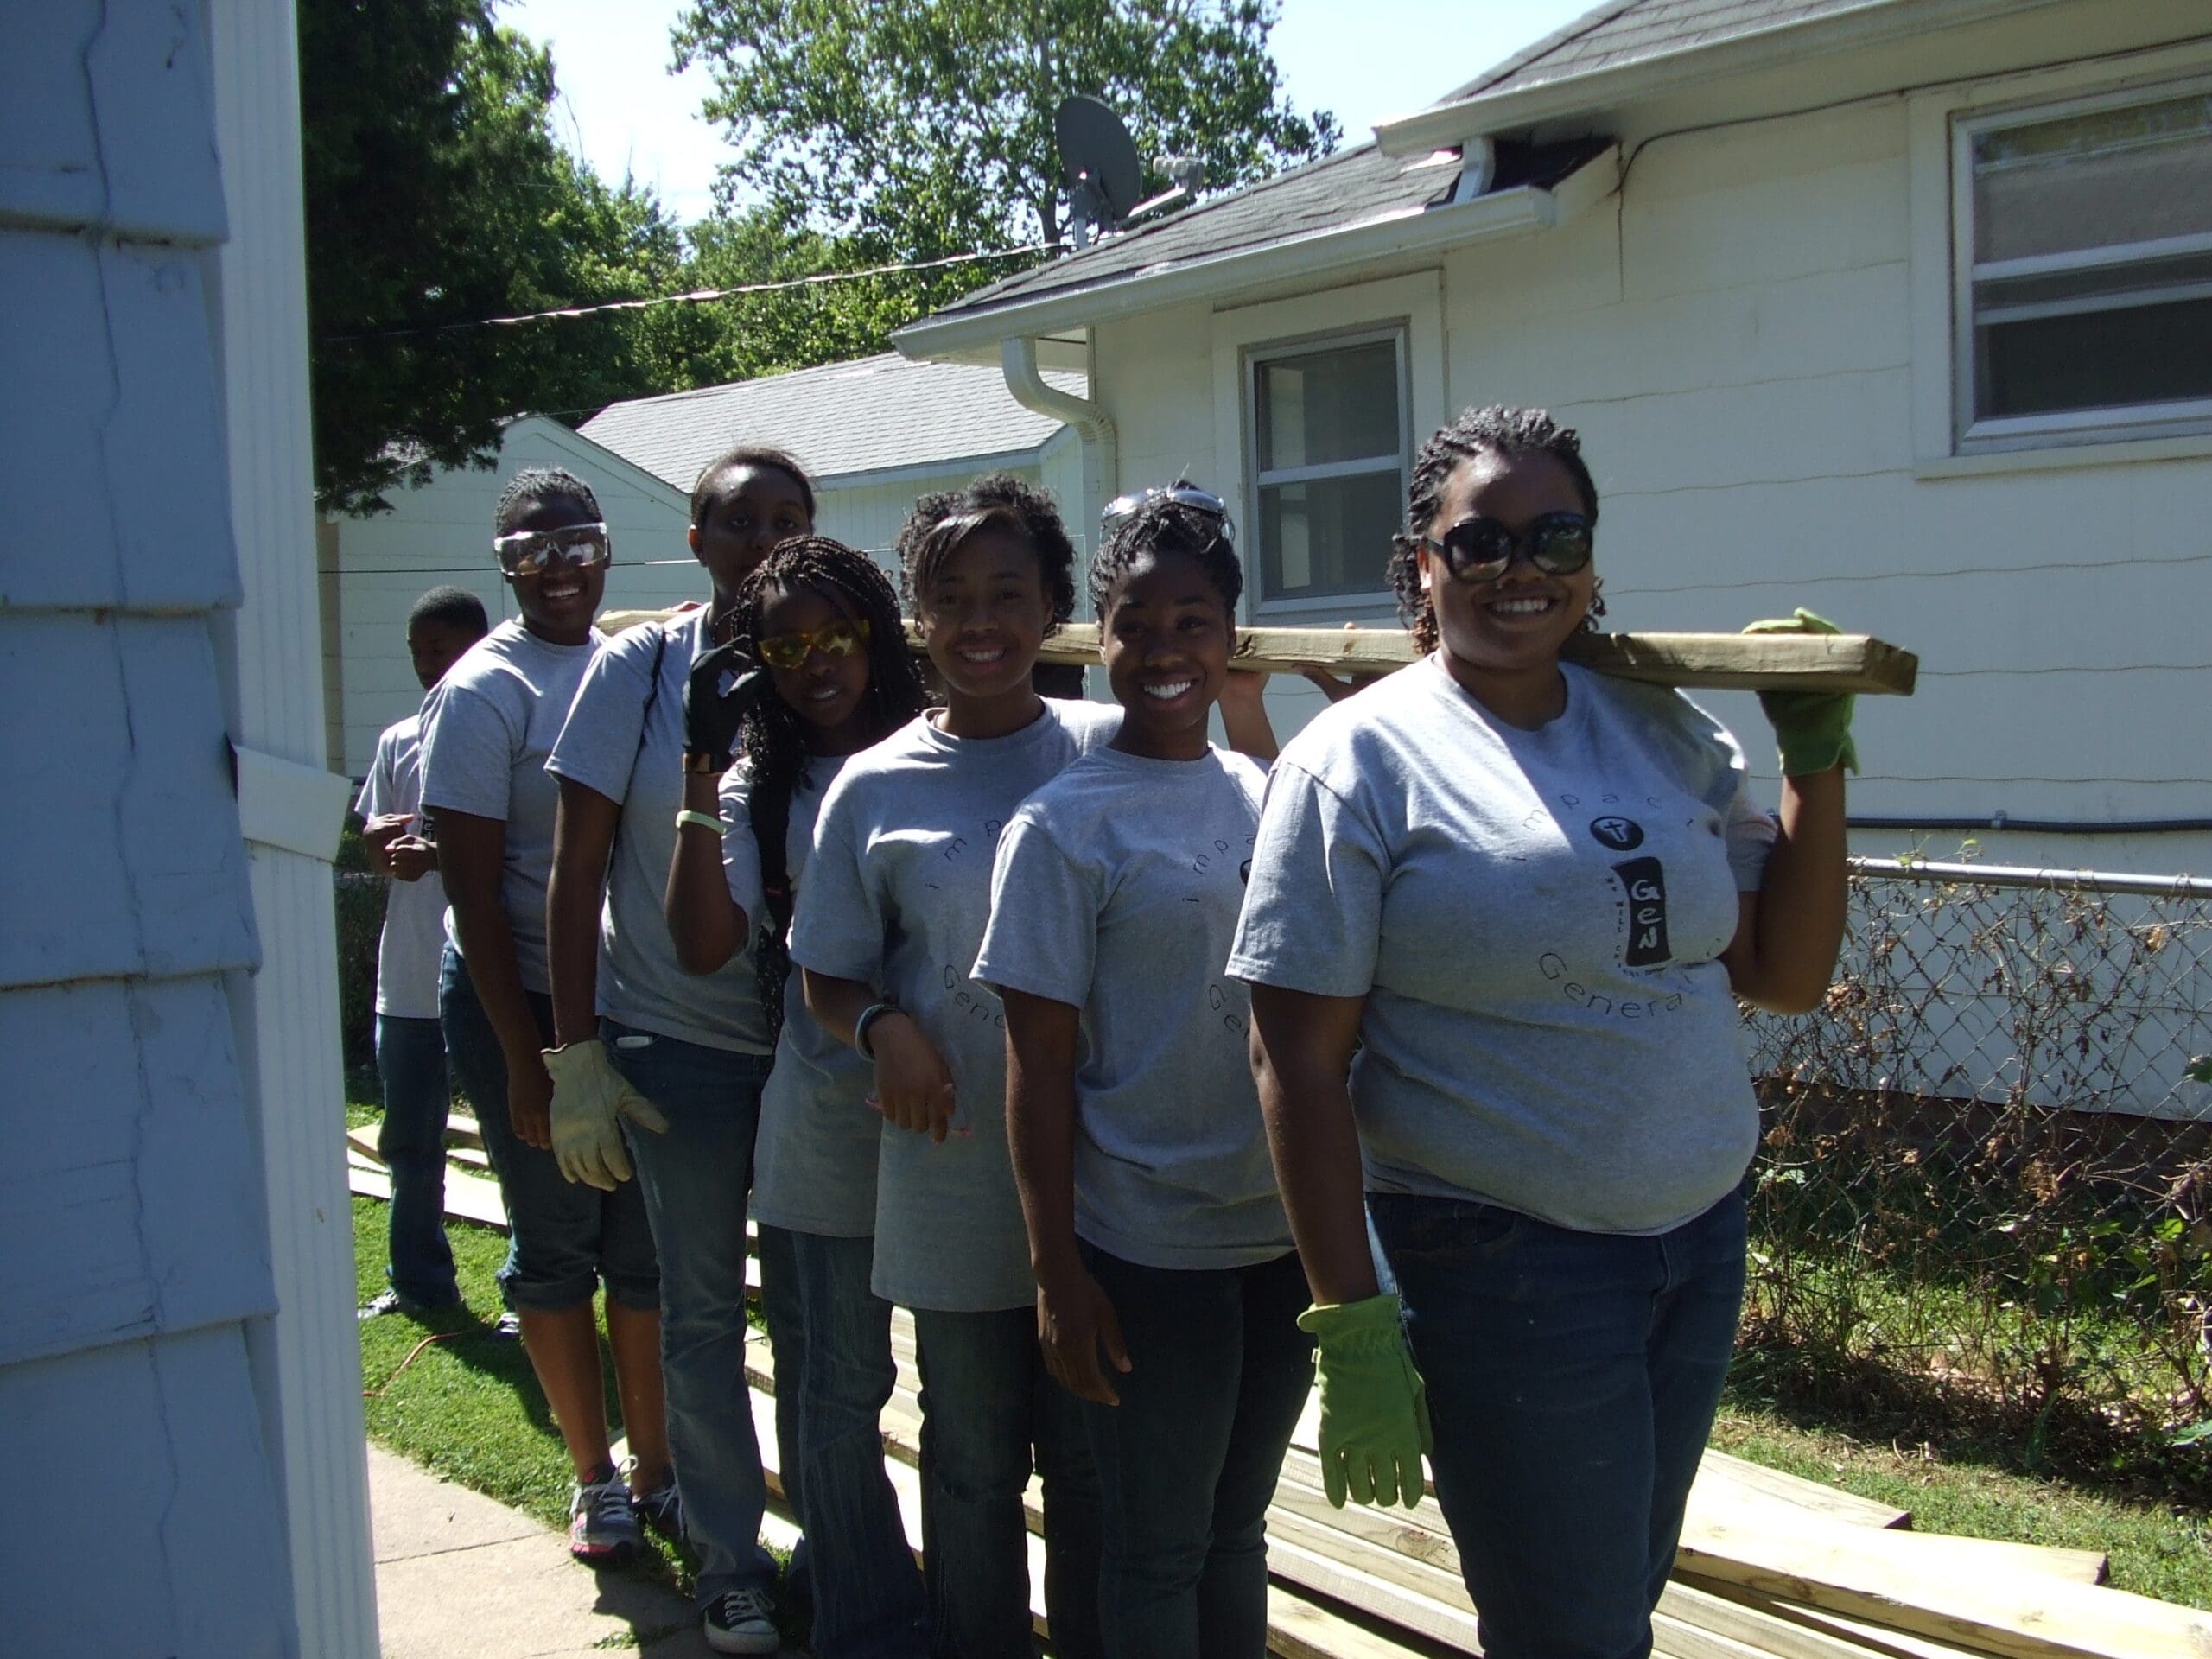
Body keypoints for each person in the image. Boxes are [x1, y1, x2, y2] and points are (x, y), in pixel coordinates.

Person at [1228, 406, 1852, 1659]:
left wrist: (1816, 762)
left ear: (1593, 561)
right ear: (1422, 566)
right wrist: (1350, 1314)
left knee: (1618, 1594)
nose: (1523, 568)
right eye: (1483, 541)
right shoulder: (1360, 763)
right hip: (1504, 1266)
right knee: (1569, 1625)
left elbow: (1781, 975)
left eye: (1555, 536)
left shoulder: (1664, 727)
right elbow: (1293, 1059)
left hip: (1697, 1237)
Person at [789, 474, 1117, 1659]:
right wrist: (884, 1029)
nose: (981, 621)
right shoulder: (874, 786)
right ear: (915, 615)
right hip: (950, 1174)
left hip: (1101, 1188)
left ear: (1050, 607)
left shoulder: (1106, 749)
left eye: (1008, 593)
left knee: (1090, 1468)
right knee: (972, 1468)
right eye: (951, 595)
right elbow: (824, 976)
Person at [977, 486, 1305, 1659]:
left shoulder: (1264, 790)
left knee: (1239, 1534)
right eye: (1136, 622)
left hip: (1277, 1240)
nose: (1164, 649)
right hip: (1145, 1249)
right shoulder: (1064, 825)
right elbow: (1036, 1063)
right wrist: (1056, 1267)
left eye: (1193, 619)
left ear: (1230, 632)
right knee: (1155, 1546)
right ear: (1098, 633)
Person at [542, 446, 814, 1656]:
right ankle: (727, 1556)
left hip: (816, 1049)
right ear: (696, 540)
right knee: (702, 1310)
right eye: (736, 519)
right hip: (679, 1048)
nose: (760, 539)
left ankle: (838, 1532)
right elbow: (578, 864)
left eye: (785, 519)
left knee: (823, 1315)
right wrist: (575, 1054)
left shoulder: (827, 664)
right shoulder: (639, 669)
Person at [664, 536, 931, 1659]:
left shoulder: (942, 749)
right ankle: (867, 1624)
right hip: (823, 1126)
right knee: (836, 1390)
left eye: (837, 635)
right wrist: (695, 767)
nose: (816, 663)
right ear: (757, 660)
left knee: (970, 1403)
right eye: (786, 646)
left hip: (960, 1126)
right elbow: (699, 943)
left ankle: (927, 1599)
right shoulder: (756, 788)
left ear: (876, 631)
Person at [418, 466, 670, 1569]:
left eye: (580, 543)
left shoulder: (635, 662)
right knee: (560, 1246)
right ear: (503, 565)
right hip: (515, 997)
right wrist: (530, 1066)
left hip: (632, 995)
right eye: (533, 552)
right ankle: (594, 1478)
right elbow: (471, 895)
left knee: (645, 1245)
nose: (561, 569)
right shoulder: (483, 691)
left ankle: (661, 1469)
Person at [358, 585, 490, 1320]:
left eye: (439, 649)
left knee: (515, 1142)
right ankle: (418, 1283)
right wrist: (383, 853)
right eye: (418, 652)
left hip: (487, 974)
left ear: (477, 644)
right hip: (407, 981)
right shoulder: (397, 742)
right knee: (409, 1142)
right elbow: (376, 846)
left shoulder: (506, 732)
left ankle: (525, 1294)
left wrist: (438, 858)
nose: (426, 665)